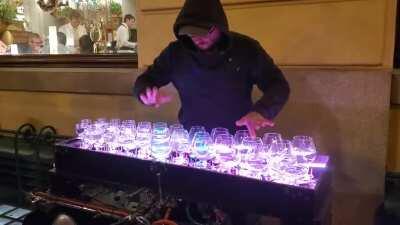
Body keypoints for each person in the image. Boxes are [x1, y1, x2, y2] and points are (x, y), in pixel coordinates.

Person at [134, 0, 289, 138]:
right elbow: (147, 79)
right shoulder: (175, 52)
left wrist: (261, 111)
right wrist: (145, 91)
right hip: (192, 137)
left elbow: (278, 85)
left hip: (237, 139)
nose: (197, 38)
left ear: (219, 27)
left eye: (204, 32)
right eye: (191, 33)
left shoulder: (246, 49)